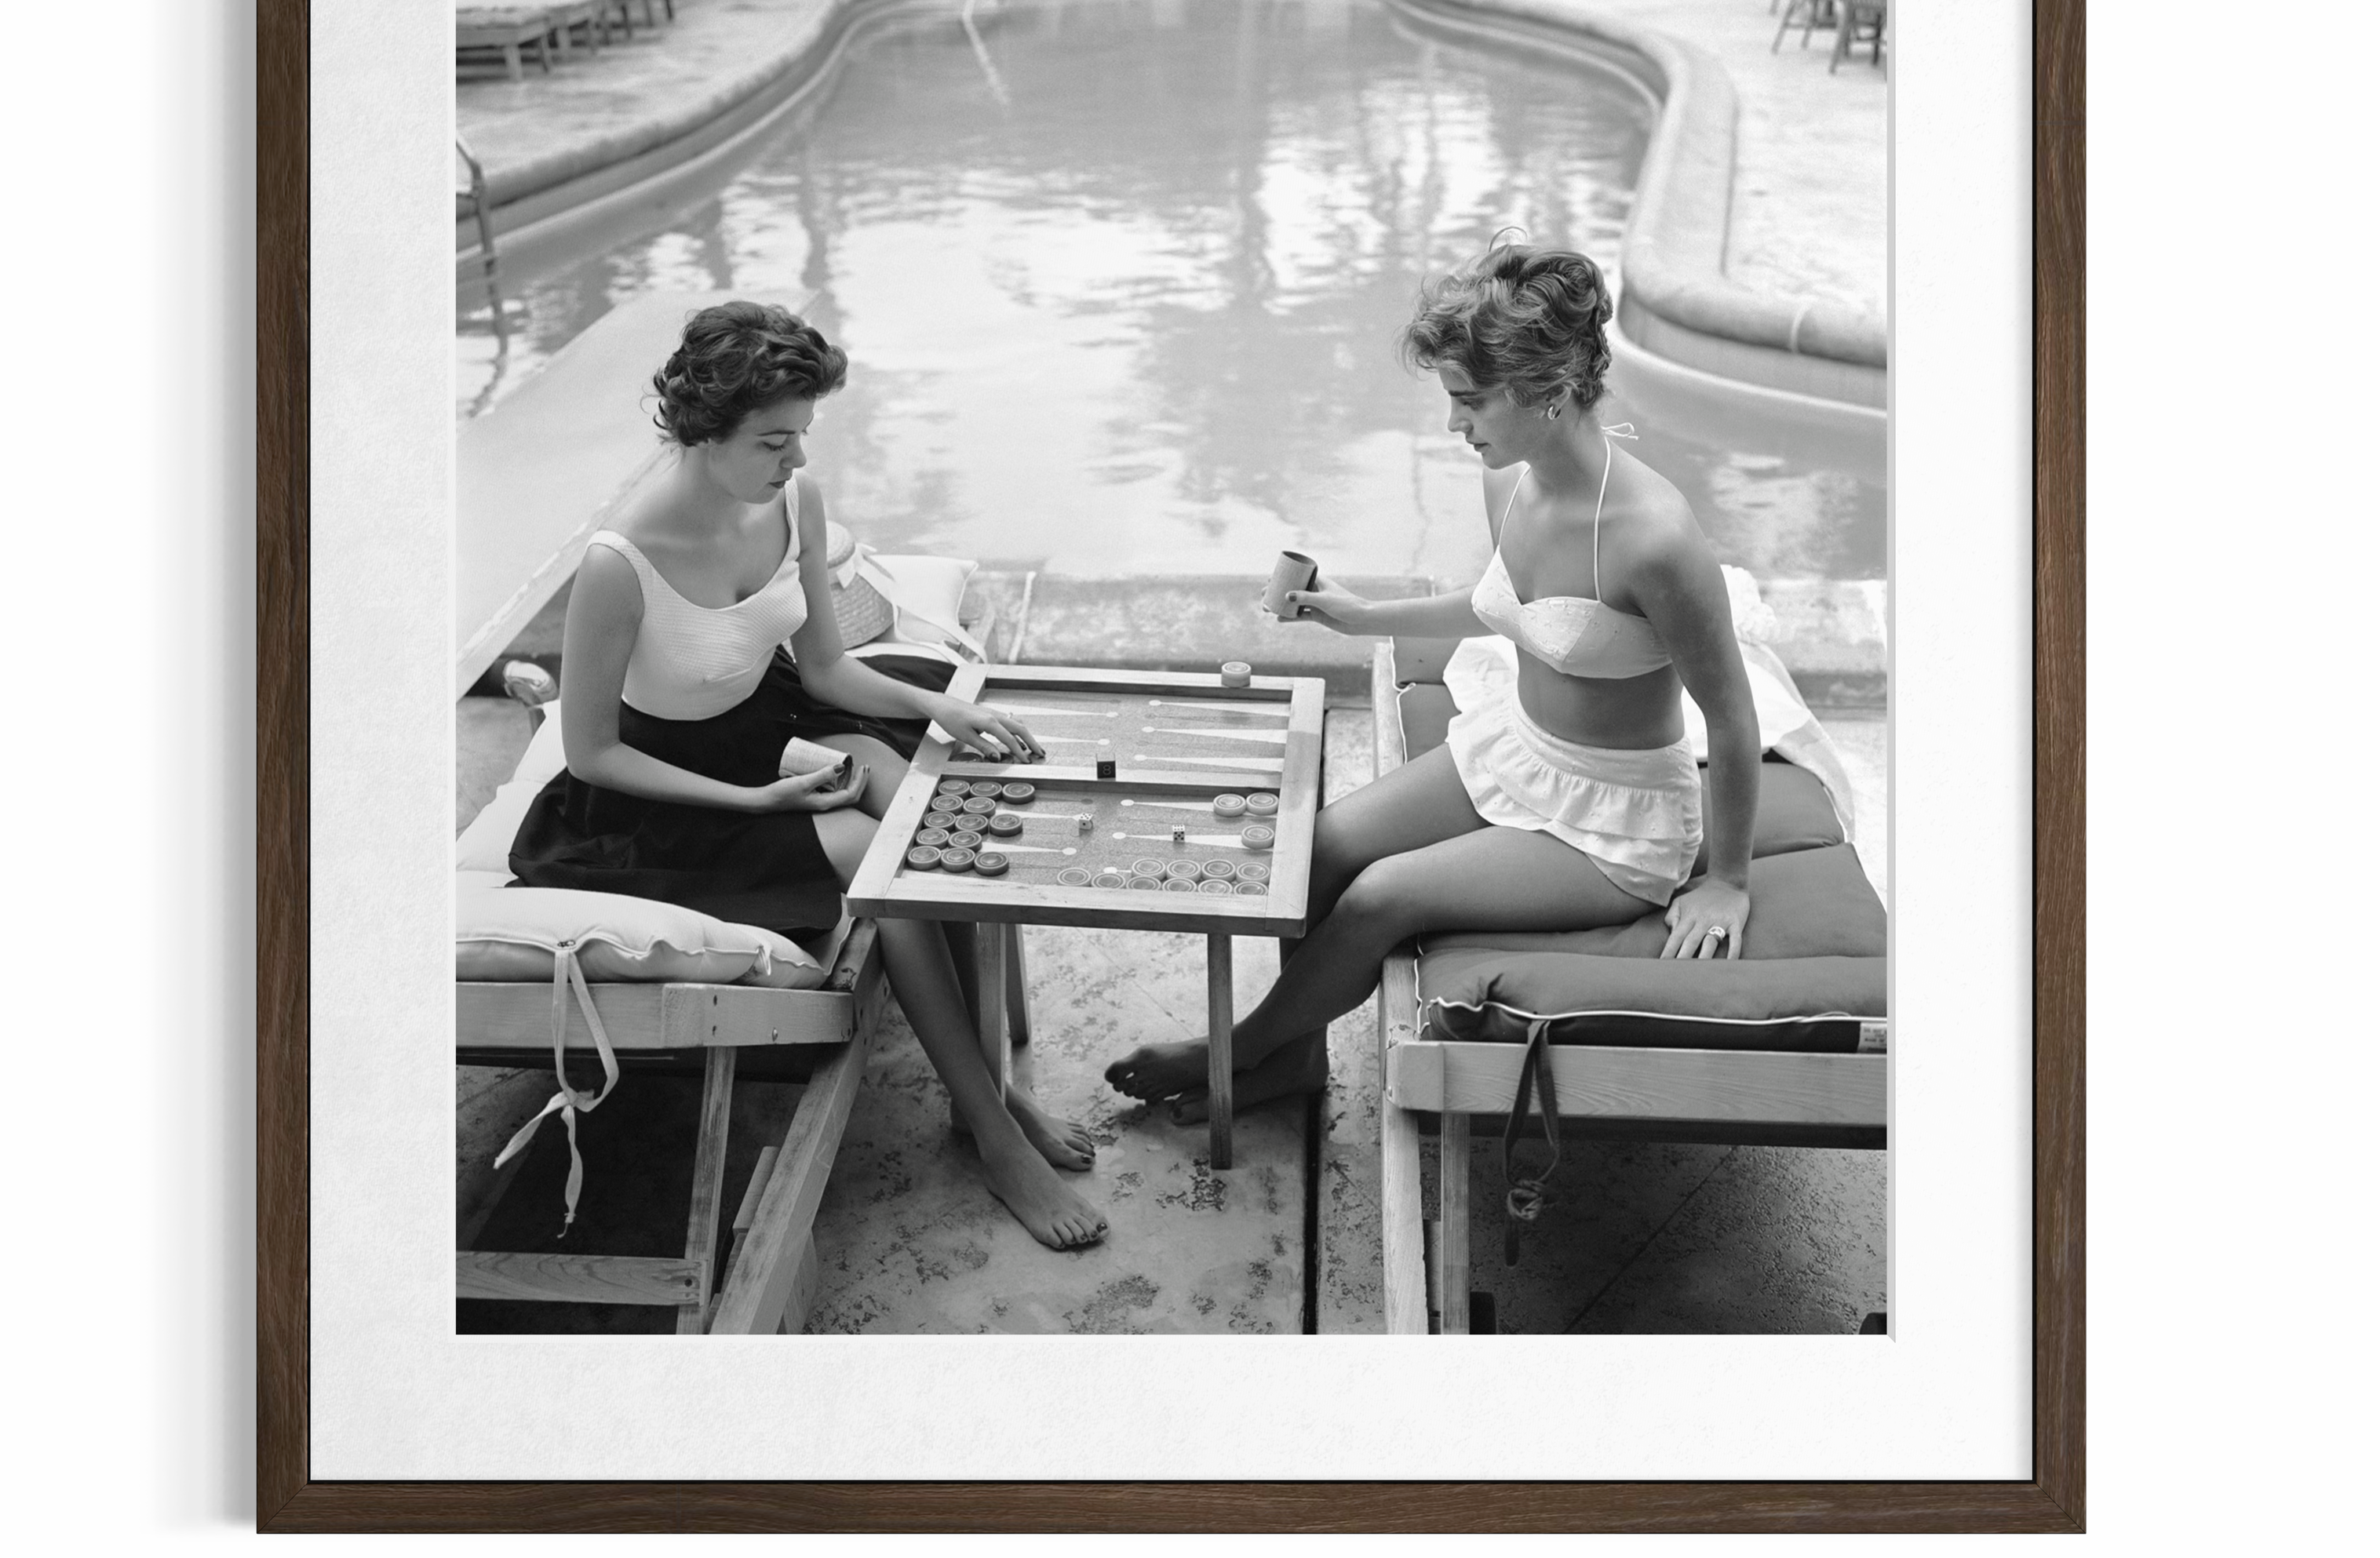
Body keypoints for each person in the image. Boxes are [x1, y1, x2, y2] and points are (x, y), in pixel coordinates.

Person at [1106, 242, 1763, 1121]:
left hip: (1614, 821)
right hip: (1517, 752)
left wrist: (1728, 879)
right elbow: (1507, 604)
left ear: (1548, 389)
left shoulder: (1654, 539)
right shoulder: (1513, 483)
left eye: (1469, 401)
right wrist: (1358, 614)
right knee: (1324, 846)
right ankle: (1291, 1060)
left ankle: (1235, 1052)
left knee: (1385, 893)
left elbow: (1730, 717)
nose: (1455, 425)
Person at [511, 300, 1108, 1250]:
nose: (796, 460)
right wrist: (752, 801)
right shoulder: (619, 564)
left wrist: (940, 707)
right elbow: (594, 754)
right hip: (654, 798)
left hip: (766, 728)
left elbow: (826, 670)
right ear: (703, 432)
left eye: (803, 436)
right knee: (878, 859)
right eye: (773, 440)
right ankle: (992, 1134)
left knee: (938, 797)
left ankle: (992, 1088)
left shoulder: (794, 502)